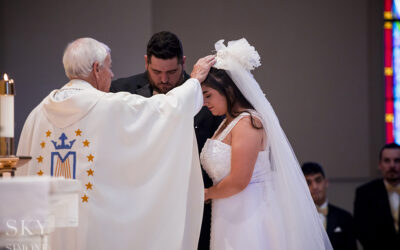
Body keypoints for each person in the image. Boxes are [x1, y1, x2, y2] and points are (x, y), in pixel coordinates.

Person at [16, 37, 216, 250]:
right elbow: (165, 110)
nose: (112, 75)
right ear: (96, 68)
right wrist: (194, 80)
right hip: (93, 228)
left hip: (51, 226)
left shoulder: (37, 114)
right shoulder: (108, 106)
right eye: (109, 67)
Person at [199, 38, 332, 250]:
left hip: (249, 213)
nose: (205, 102)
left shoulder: (248, 123)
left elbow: (239, 180)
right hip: (228, 211)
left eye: (208, 95)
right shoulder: (227, 122)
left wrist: (205, 194)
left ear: (228, 90)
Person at [110, 31, 221, 249]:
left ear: (184, 62)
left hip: (191, 209)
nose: (164, 79)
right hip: (137, 209)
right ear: (146, 62)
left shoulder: (206, 95)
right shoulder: (121, 91)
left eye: (172, 72)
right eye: (156, 71)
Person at [354, 143, 400, 250]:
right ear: (380, 165)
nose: (392, 165)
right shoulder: (365, 193)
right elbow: (362, 231)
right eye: (387, 161)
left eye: (397, 160)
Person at [302, 162, 357, 250]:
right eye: (308, 183)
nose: (315, 186)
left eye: (318, 180)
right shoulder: (298, 219)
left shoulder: (344, 217)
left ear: (326, 182)